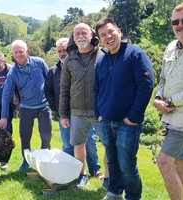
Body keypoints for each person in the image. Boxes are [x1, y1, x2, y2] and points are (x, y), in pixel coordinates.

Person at [94, 18, 154, 200]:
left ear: (119, 31)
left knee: (127, 164)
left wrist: (133, 118)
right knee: (112, 161)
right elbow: (96, 89)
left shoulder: (135, 54)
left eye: (111, 31)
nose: (108, 37)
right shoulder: (102, 60)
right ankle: (114, 193)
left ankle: (133, 196)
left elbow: (146, 85)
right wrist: (98, 114)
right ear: (100, 39)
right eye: (103, 35)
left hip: (127, 122)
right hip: (105, 120)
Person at [153, 3, 183, 200]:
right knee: (181, 161)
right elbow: (163, 79)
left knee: (164, 162)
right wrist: (158, 97)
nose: (180, 25)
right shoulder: (171, 47)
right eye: (175, 22)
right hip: (171, 117)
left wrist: (171, 101)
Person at [44, 37, 103, 179]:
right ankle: (73, 171)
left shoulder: (81, 63)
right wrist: (56, 108)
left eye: (65, 50)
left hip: (83, 111)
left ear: (71, 49)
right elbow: (48, 91)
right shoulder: (53, 71)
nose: (62, 53)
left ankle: (95, 169)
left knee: (90, 143)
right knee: (68, 144)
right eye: (59, 51)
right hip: (64, 113)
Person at [59, 23, 103, 188]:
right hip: (76, 112)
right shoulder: (69, 60)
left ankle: (108, 178)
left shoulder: (102, 55)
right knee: (78, 144)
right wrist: (63, 114)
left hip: (100, 111)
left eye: (84, 33)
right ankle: (82, 175)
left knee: (108, 145)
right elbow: (64, 89)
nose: (80, 36)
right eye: (77, 34)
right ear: (73, 37)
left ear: (92, 35)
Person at [0, 40, 52, 172]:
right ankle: (26, 161)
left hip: (44, 106)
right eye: (15, 52)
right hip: (26, 107)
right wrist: (4, 116)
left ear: (27, 51)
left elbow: (49, 81)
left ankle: (45, 159)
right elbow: (6, 95)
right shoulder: (13, 73)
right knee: (25, 136)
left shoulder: (39, 63)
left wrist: (54, 102)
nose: (18, 55)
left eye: (20, 51)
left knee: (46, 134)